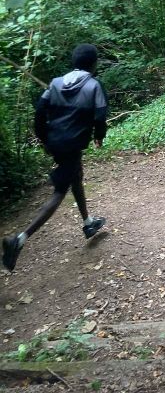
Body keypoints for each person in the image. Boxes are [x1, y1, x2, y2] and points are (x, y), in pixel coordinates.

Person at [2, 44, 108, 273]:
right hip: (72, 144)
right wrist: (99, 137)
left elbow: (39, 113)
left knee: (75, 175)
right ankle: (19, 239)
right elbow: (100, 115)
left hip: (55, 142)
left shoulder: (55, 83)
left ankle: (88, 223)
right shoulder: (93, 85)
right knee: (60, 191)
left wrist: (45, 140)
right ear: (93, 64)